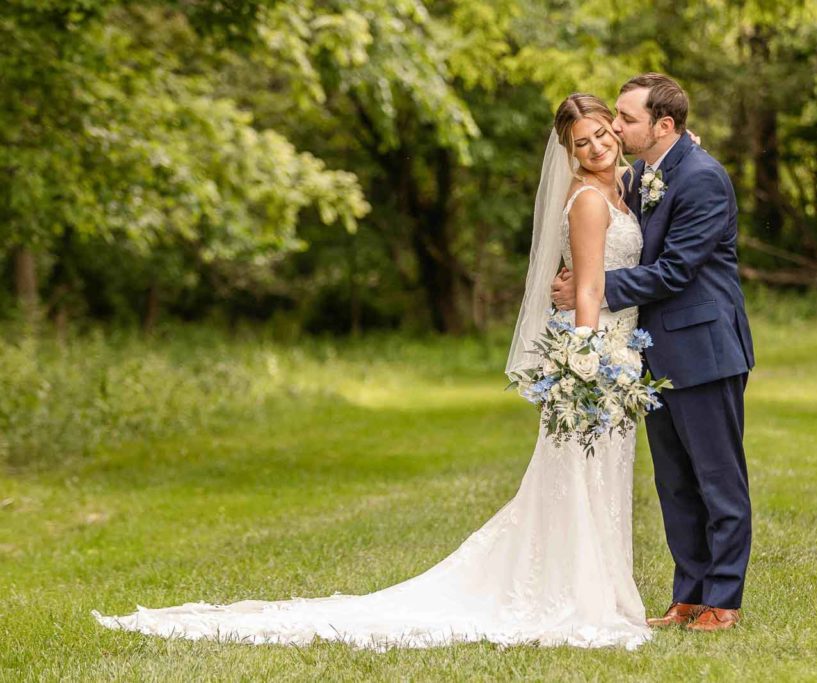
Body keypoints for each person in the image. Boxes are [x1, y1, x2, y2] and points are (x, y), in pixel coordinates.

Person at [93, 93, 654, 650]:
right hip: (598, 356)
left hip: (617, 350)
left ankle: (598, 587)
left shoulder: (622, 187)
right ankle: (580, 597)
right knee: (581, 475)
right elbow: (584, 287)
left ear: (614, 128)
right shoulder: (586, 200)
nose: (598, 146)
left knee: (598, 475)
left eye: (603, 134)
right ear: (568, 150)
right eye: (583, 142)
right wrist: (588, 361)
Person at [552, 73, 755, 632]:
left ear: (664, 125)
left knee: (718, 479)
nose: (615, 127)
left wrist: (593, 289)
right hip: (651, 355)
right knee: (674, 482)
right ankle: (687, 595)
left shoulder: (704, 179)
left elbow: (674, 271)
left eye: (626, 118)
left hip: (706, 349)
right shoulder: (644, 173)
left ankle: (723, 600)